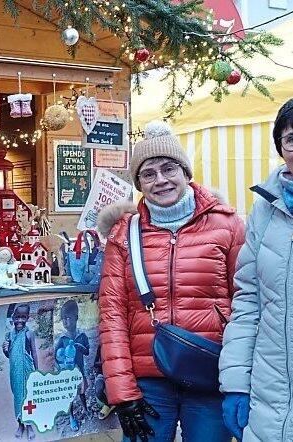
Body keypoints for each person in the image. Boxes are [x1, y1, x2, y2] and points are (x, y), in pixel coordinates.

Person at [98, 120, 244, 442]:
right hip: (147, 381)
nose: (160, 180)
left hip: (211, 370)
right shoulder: (124, 235)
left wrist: (239, 377)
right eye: (148, 174)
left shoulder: (228, 225)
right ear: (139, 183)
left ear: (186, 173)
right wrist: (122, 392)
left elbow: (246, 303)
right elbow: (112, 316)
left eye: (169, 169)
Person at [219, 98, 293, 442]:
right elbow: (248, 299)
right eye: (291, 139)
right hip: (271, 398)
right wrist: (235, 382)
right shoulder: (265, 208)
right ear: (281, 148)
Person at [2, 303, 38, 439]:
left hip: (28, 371)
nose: (20, 320)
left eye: (23, 317)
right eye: (17, 317)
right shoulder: (9, 335)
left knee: (28, 397)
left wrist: (37, 371)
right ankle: (20, 425)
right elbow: (9, 355)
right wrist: (4, 349)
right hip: (15, 372)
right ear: (13, 317)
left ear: (27, 318)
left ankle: (29, 425)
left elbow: (34, 353)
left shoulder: (29, 334)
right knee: (18, 397)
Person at [54, 300, 89, 433]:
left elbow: (87, 352)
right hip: (67, 374)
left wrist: (80, 347)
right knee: (69, 397)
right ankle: (71, 416)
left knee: (82, 392)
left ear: (76, 318)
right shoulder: (62, 339)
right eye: (63, 319)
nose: (65, 322)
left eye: (68, 318)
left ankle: (85, 409)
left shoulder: (82, 336)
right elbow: (56, 357)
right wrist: (60, 365)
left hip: (79, 371)